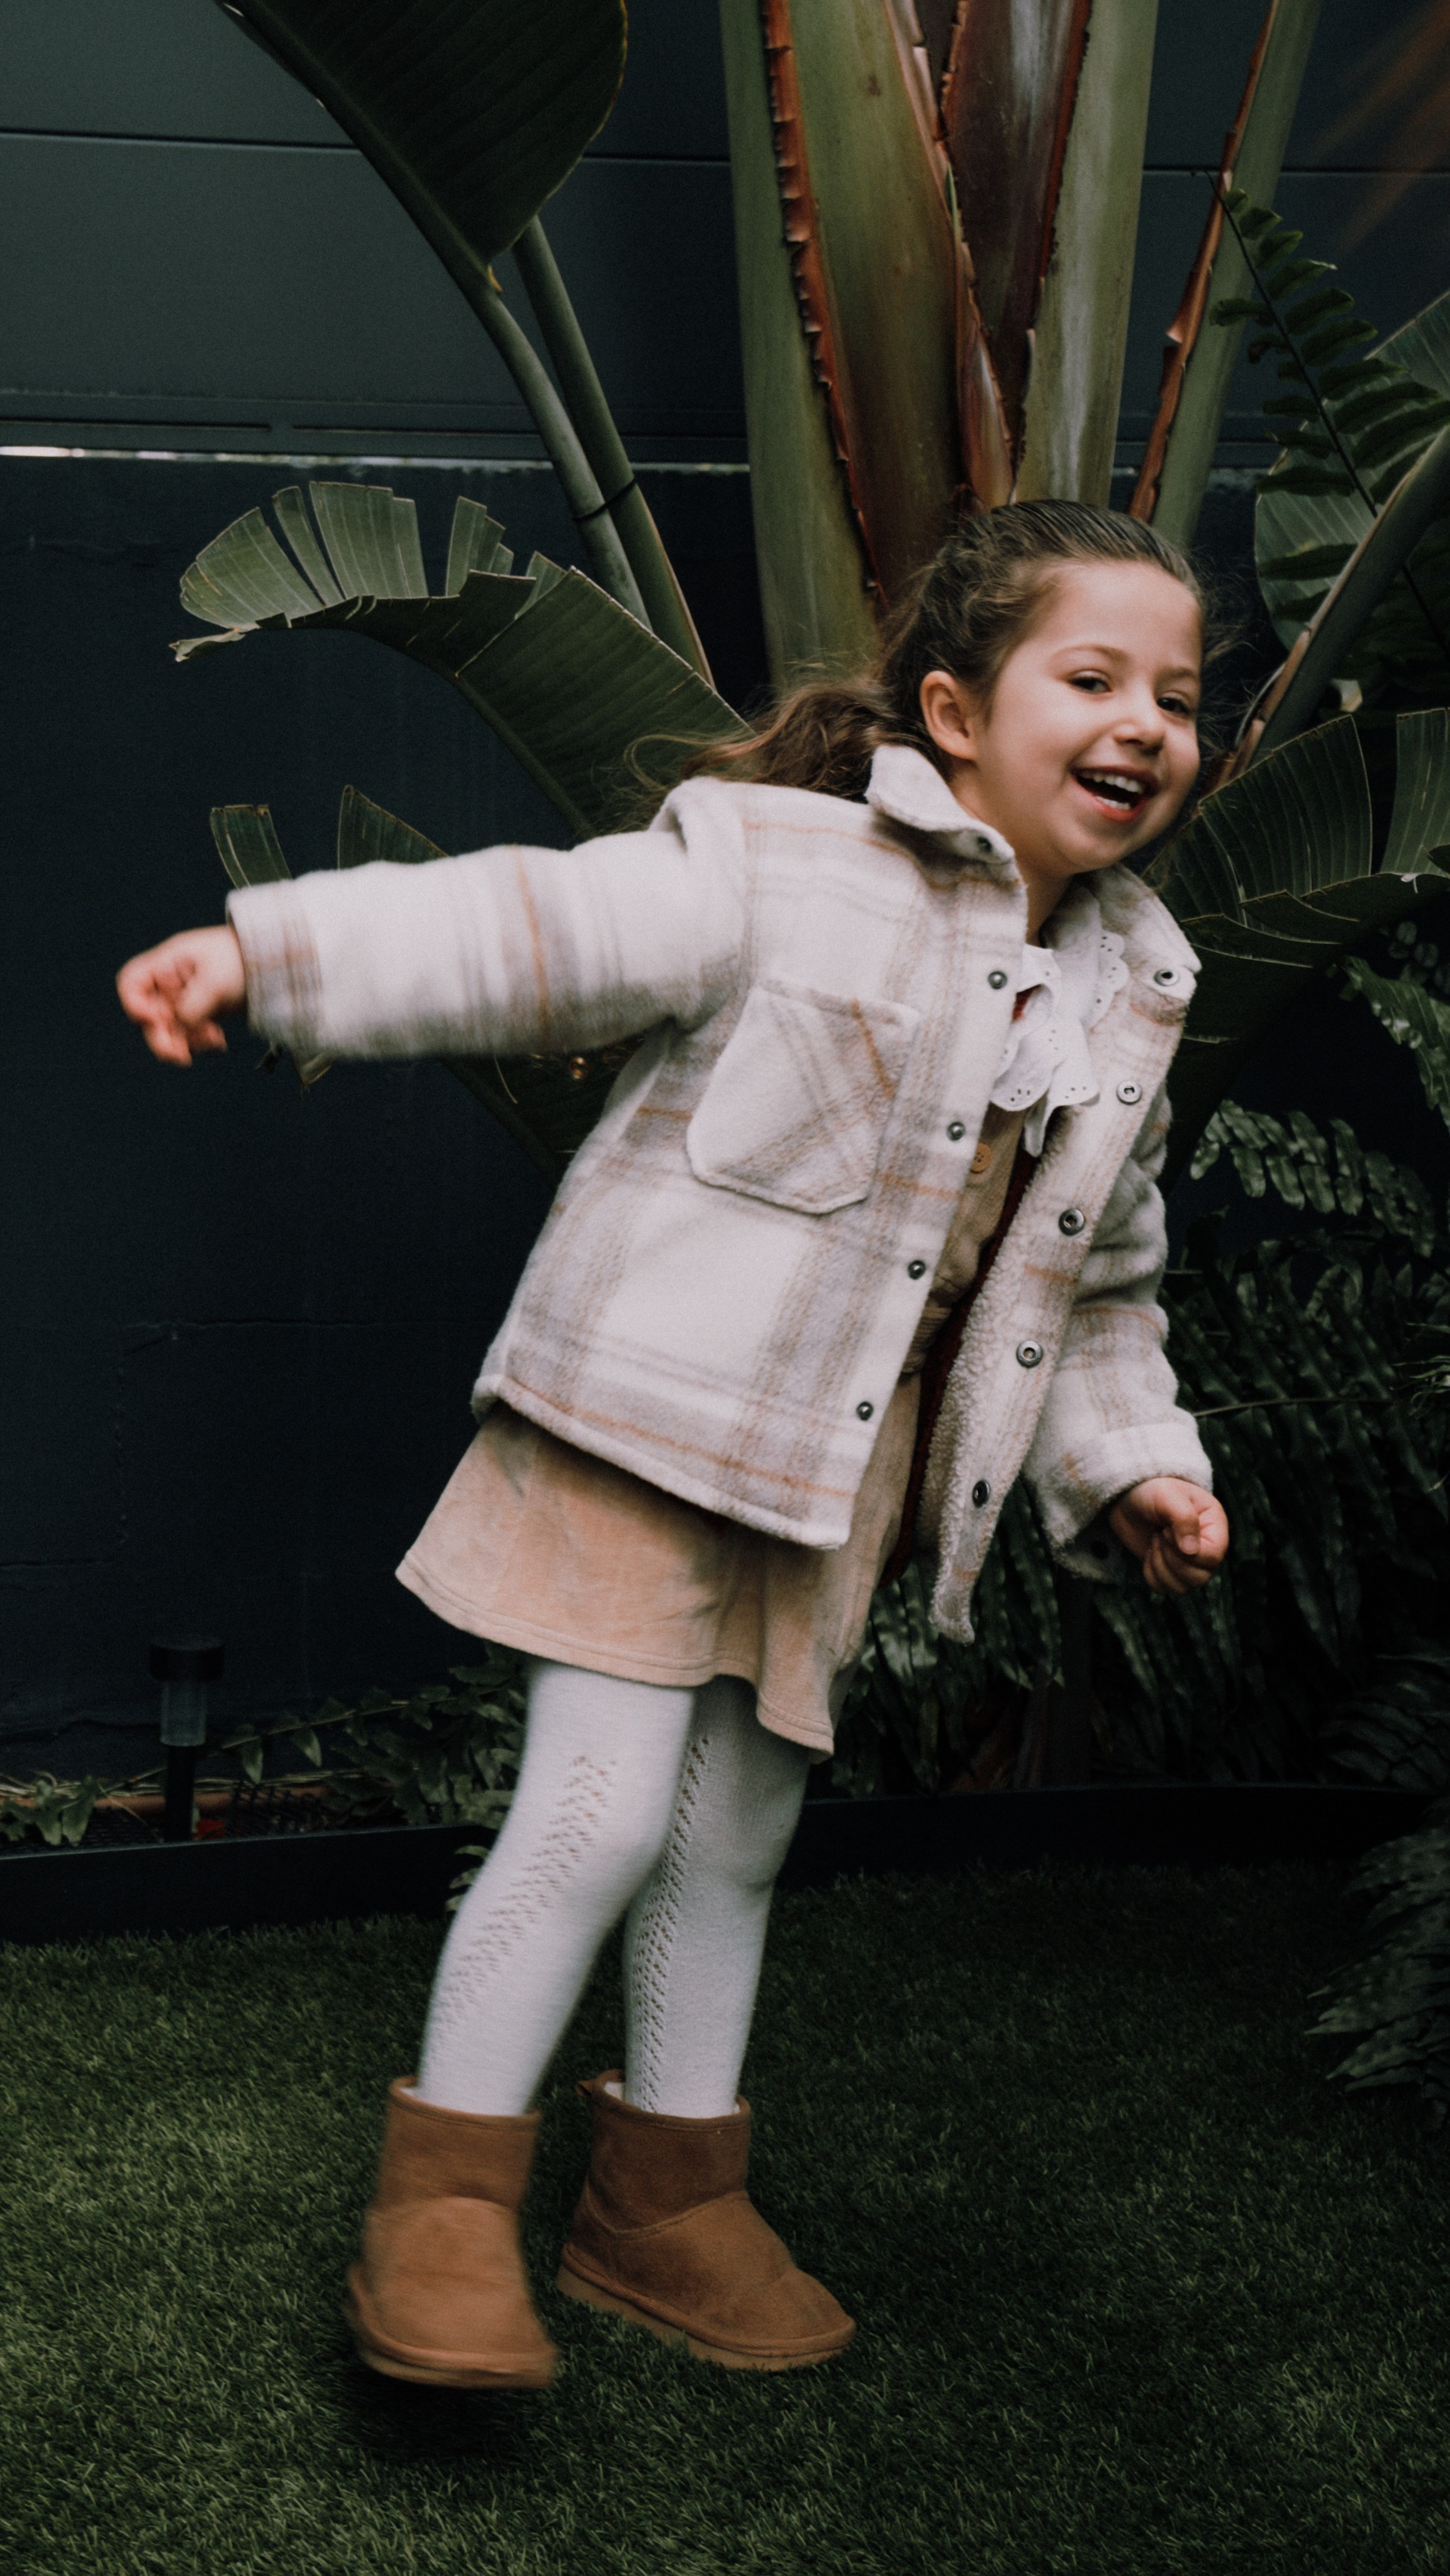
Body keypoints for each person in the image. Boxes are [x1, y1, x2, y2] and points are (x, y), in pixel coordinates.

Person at [118, 499, 1230, 2391]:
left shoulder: (1133, 987)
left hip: (837, 1481)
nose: (1144, 721)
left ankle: (665, 2204)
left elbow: (1092, 1281)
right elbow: (538, 926)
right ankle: (448, 2206)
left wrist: (1133, 1461)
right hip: (643, 1417)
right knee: (600, 1809)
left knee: (735, 1834)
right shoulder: (784, 864)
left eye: (1181, 695)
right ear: (956, 712)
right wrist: (274, 954)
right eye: (1093, 675)